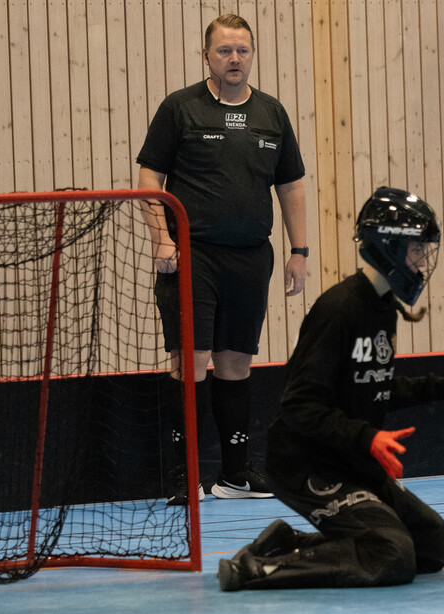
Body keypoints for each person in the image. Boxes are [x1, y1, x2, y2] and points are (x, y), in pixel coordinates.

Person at [217, 186, 444, 591]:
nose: (421, 262)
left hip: (348, 458)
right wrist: (368, 438)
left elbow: (372, 387)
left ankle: (288, 543)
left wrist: (441, 388)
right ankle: (256, 569)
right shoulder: (340, 308)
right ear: (390, 247)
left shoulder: (384, 308)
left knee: (431, 544)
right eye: (416, 250)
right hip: (306, 463)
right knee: (392, 554)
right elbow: (299, 404)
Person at [136, 13, 308, 502]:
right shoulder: (180, 108)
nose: (235, 59)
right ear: (207, 56)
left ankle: (234, 476)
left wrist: (299, 251)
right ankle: (183, 476)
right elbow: (149, 178)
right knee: (190, 361)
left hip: (250, 258)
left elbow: (291, 185)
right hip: (192, 258)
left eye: (242, 50)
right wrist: (161, 240)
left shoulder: (272, 114)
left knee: (236, 362)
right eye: (225, 51)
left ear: (252, 55)